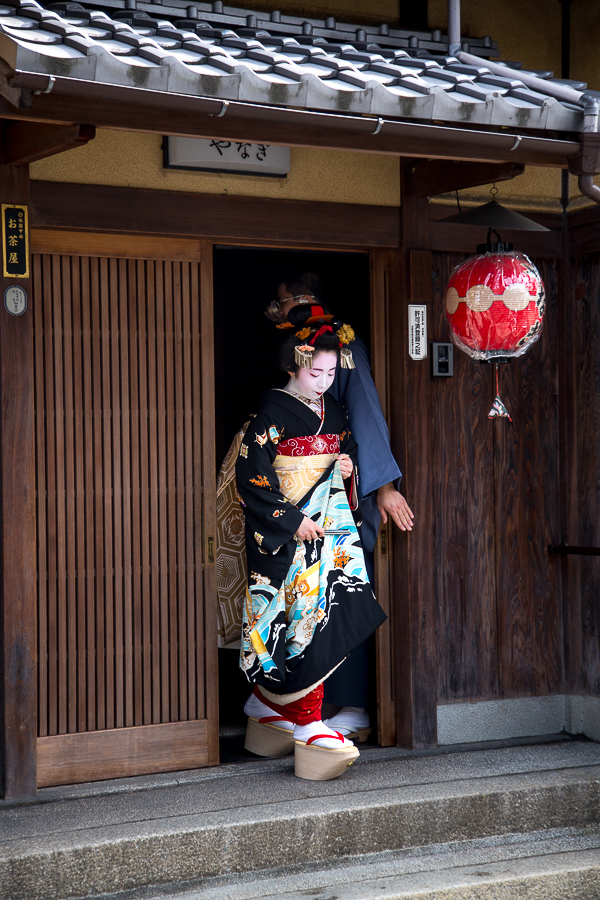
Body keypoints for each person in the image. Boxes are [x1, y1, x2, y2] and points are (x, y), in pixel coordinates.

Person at [236, 311, 386, 780]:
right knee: (295, 616)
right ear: (294, 365)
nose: (323, 383)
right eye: (314, 373)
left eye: (329, 374)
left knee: (330, 610)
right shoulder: (270, 413)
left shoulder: (334, 411)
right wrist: (290, 518)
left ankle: (266, 705)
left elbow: (348, 455)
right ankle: (306, 722)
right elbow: (252, 479)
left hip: (328, 529)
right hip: (287, 533)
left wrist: (347, 472)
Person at [265, 273, 414, 737]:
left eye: (283, 300)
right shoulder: (294, 350)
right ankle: (298, 707)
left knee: (339, 590)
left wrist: (384, 484)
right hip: (296, 500)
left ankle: (350, 705)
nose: (277, 309)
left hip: (337, 487)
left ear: (305, 300)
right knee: (300, 600)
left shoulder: (338, 346)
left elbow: (365, 409)